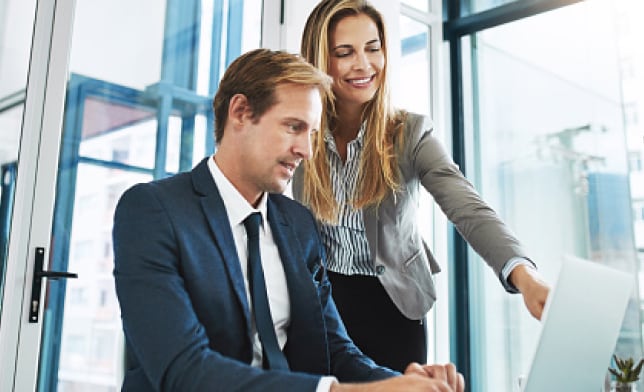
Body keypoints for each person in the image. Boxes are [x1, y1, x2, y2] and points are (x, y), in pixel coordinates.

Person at [113, 48, 464, 392]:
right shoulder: (153, 211)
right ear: (240, 112)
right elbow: (184, 371)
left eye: (311, 134)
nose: (307, 151)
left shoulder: (298, 224)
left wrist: (402, 382)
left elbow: (335, 349)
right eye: (293, 127)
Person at [293, 0, 551, 372]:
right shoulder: (305, 135)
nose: (364, 65)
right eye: (344, 53)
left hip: (395, 306)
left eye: (373, 48)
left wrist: (524, 275)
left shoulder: (410, 133)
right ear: (320, 60)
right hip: (326, 305)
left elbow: (466, 206)